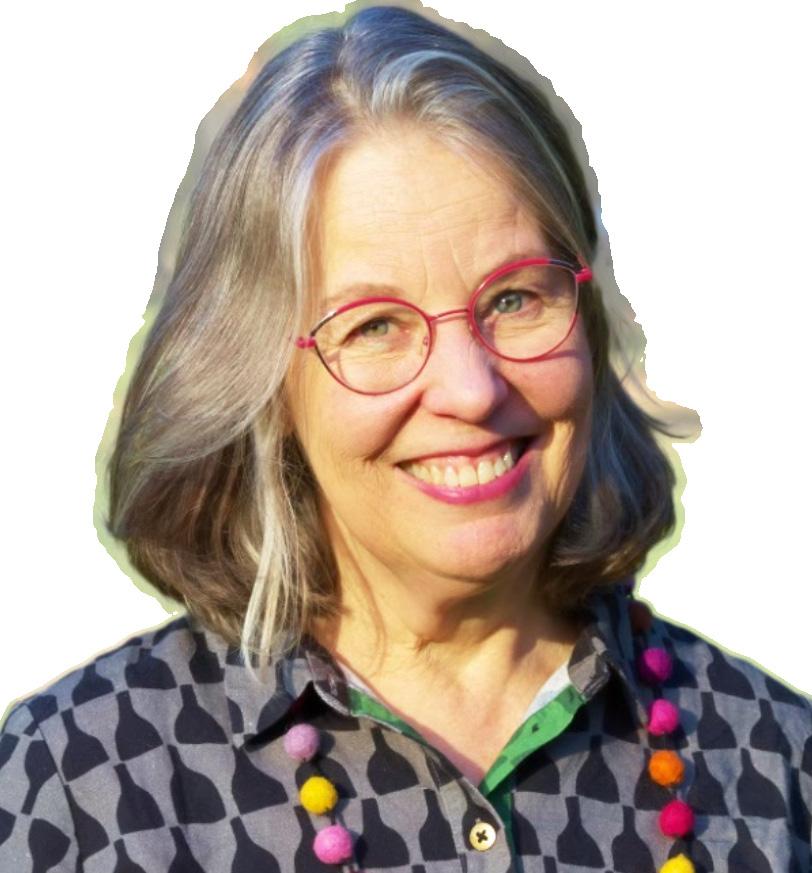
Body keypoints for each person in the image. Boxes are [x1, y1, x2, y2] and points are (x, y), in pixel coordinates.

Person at [1, 4, 810, 872]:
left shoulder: (773, 764)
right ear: (259, 385)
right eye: (375, 325)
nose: (471, 387)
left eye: (514, 298)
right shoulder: (83, 787)